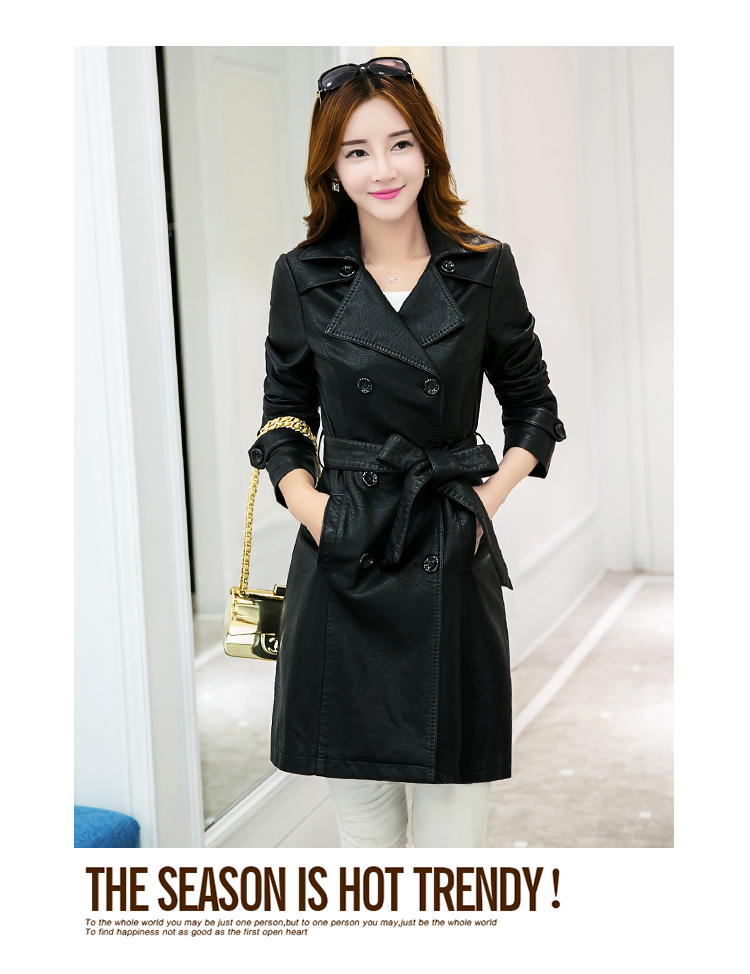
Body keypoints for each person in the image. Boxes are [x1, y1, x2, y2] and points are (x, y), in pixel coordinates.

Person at [248, 57, 566, 848]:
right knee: (365, 834)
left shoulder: (483, 267)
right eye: (356, 151)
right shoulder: (303, 275)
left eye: (399, 144)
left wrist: (483, 503)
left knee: (454, 836)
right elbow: (284, 413)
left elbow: (534, 407)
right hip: (344, 555)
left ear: (428, 151)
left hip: (446, 548)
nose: (382, 169)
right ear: (332, 168)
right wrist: (313, 508)